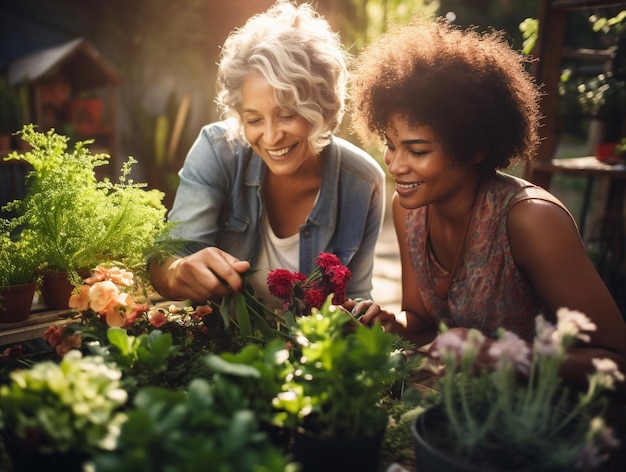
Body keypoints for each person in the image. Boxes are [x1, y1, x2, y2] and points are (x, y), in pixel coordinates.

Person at [347, 17, 626, 396]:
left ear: (475, 148)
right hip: (465, 416)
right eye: (391, 144)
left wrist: (499, 355)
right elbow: (424, 320)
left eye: (417, 150)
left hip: (552, 424)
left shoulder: (531, 220)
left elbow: (616, 361)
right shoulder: (407, 209)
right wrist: (389, 325)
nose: (395, 165)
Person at [149, 1, 385, 309]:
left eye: (287, 115)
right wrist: (176, 271)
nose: (271, 137)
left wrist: (363, 315)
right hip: (216, 349)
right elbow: (166, 259)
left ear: (322, 108)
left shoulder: (362, 183)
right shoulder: (217, 151)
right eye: (254, 119)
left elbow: (356, 296)